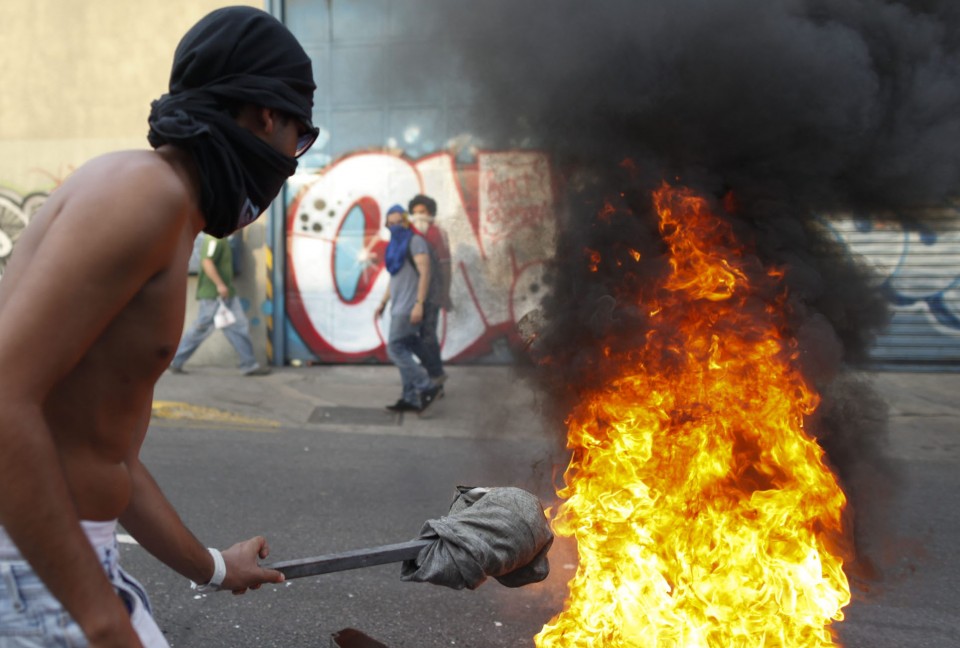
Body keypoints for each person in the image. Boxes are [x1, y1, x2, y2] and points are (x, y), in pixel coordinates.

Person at [0, 7, 318, 647]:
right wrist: (97, 618)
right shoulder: (149, 198)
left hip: (58, 559)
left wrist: (216, 567)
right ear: (266, 117)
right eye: (299, 138)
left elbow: (104, 454)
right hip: (37, 572)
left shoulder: (150, 196)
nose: (291, 160)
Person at [168, 233, 270, 376]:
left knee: (237, 327)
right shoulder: (215, 239)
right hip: (214, 294)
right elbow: (207, 262)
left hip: (224, 294)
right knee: (202, 328)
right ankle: (175, 361)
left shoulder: (223, 240)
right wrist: (220, 285)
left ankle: (249, 364)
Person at [375, 205, 443, 413]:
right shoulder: (395, 246)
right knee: (405, 348)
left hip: (409, 307)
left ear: (406, 221)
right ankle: (410, 398)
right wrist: (383, 302)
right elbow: (394, 278)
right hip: (398, 306)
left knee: (395, 348)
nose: (395, 226)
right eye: (391, 222)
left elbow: (425, 273)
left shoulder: (415, 241)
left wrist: (419, 304)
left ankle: (428, 386)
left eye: (399, 222)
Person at [408, 194, 451, 386]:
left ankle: (435, 376)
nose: (418, 216)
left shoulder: (436, 233)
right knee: (414, 336)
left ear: (431, 213)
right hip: (413, 294)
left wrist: (444, 294)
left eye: (422, 212)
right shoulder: (411, 233)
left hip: (431, 295)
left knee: (427, 335)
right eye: (415, 212)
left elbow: (445, 266)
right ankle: (432, 373)